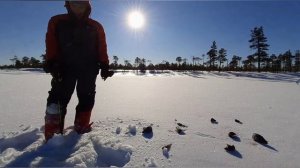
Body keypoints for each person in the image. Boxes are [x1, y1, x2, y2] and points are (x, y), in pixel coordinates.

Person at [43, 0, 113, 141]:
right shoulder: (56, 21)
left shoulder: (96, 26)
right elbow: (51, 43)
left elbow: (102, 47)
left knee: (87, 98)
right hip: (63, 68)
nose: (78, 6)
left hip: (89, 68)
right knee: (57, 98)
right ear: (68, 4)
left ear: (87, 6)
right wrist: (52, 62)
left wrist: (104, 65)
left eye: (81, 3)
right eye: (75, 3)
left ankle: (81, 127)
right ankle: (52, 134)